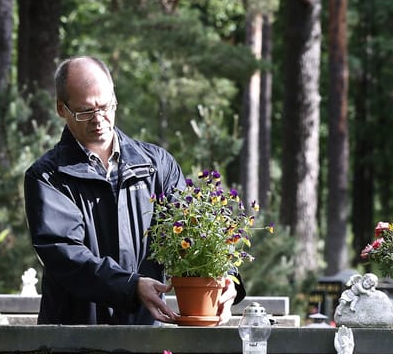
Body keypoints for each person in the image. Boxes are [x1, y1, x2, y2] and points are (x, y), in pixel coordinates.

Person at [24, 56, 235, 324]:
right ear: (61, 109)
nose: (99, 120)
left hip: (148, 335)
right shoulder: (47, 176)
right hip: (72, 337)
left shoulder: (157, 165)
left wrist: (227, 278)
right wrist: (131, 286)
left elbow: (194, 232)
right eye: (85, 111)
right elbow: (66, 255)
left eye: (105, 106)